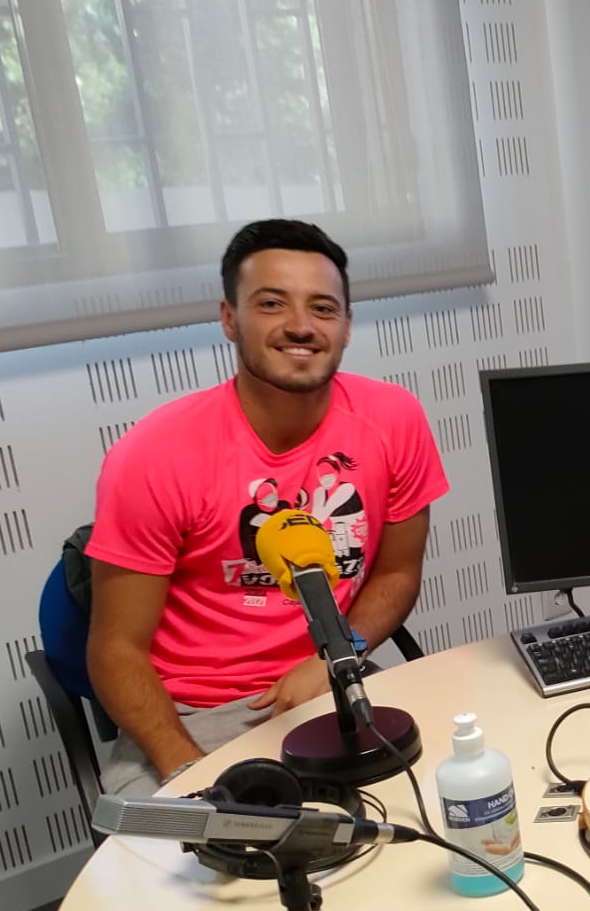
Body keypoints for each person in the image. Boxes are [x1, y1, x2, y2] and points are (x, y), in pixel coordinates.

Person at [86, 219, 449, 797]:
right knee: (201, 873)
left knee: (455, 803)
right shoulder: (154, 455)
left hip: (333, 684)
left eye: (323, 308)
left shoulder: (393, 420)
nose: (301, 326)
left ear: (347, 326)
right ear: (230, 318)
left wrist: (341, 654)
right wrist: (188, 770)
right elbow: (114, 648)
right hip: (193, 715)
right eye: (272, 304)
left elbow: (398, 573)